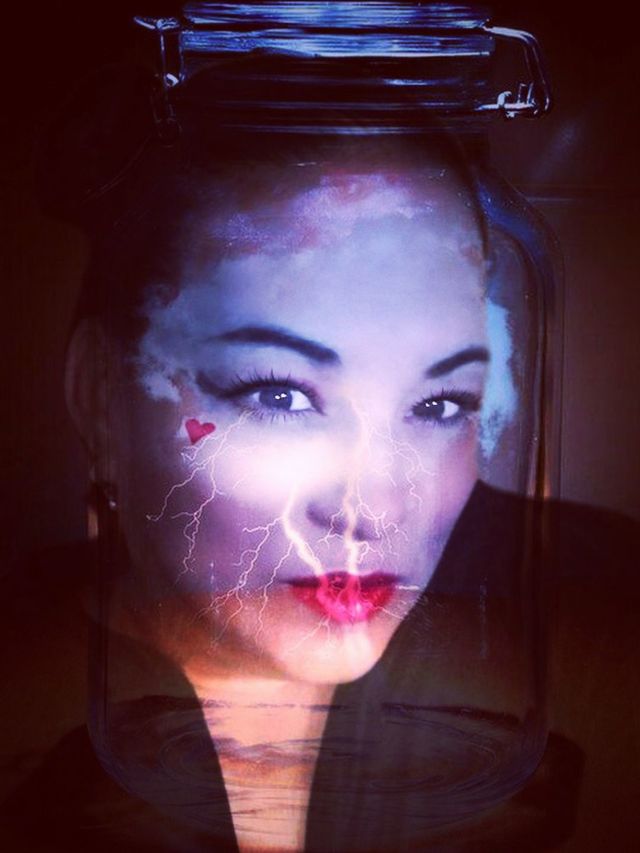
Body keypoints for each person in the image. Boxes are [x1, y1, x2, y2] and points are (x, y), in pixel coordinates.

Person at [2, 50, 638, 853]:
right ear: (102, 398)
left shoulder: (604, 666)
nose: (373, 507)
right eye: (280, 396)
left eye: (439, 404)